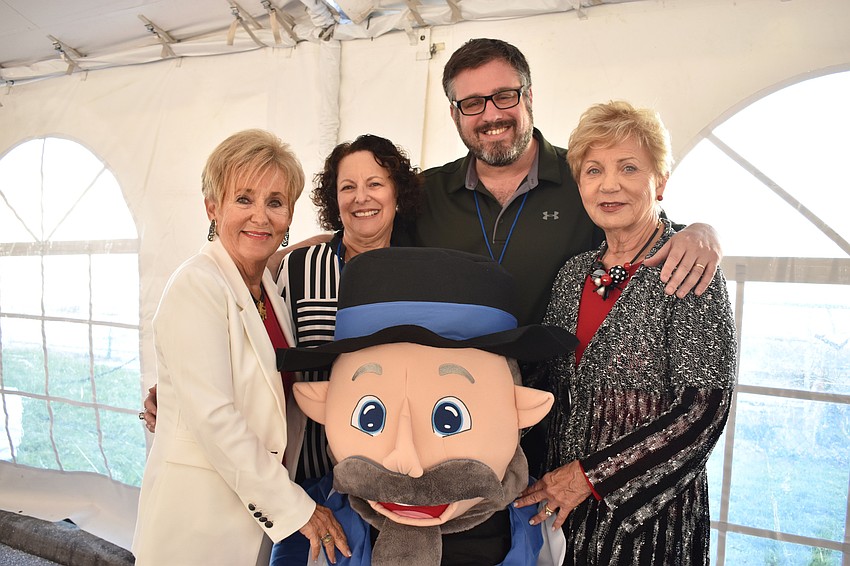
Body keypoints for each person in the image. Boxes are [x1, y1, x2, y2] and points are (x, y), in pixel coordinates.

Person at [412, 37, 723, 476]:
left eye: (504, 96)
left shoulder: (583, 179)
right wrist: (319, 244)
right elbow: (368, 233)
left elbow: (643, 222)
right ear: (454, 113)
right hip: (442, 424)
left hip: (553, 442)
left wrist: (702, 231)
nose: (491, 114)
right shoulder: (424, 194)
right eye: (473, 103)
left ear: (528, 97)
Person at [513, 101, 736, 564]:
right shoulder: (573, 273)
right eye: (593, 170)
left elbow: (703, 411)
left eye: (629, 167)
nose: (609, 184)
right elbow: (544, 379)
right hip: (559, 513)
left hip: (649, 526)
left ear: (661, 182)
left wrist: (590, 477)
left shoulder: (688, 268)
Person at [132, 129, 350, 565]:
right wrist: (298, 508)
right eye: (244, 199)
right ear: (212, 207)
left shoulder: (267, 287)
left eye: (275, 202)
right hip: (197, 521)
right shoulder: (196, 285)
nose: (260, 217)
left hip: (254, 518)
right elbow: (215, 418)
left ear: (289, 215)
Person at [276, 247, 573, 566]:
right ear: (321, 402)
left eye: (449, 419)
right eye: (370, 417)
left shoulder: (536, 517)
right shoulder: (310, 512)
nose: (407, 464)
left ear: (521, 408)